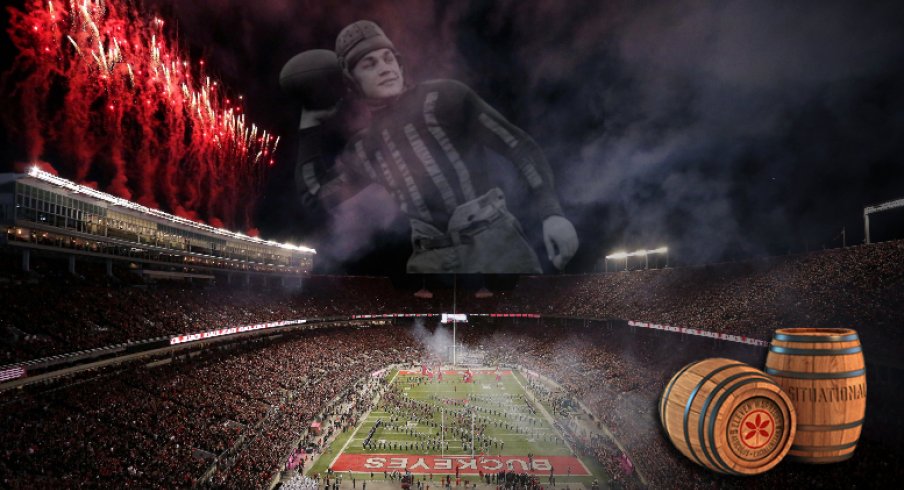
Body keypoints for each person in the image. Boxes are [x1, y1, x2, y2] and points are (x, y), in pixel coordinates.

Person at [295, 20, 578, 273]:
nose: (385, 68)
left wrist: (552, 213)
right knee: (430, 334)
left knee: (522, 330)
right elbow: (315, 198)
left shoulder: (445, 97)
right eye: (369, 64)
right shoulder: (366, 147)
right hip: (430, 261)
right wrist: (310, 123)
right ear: (351, 82)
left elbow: (518, 145)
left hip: (496, 246)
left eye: (388, 58)